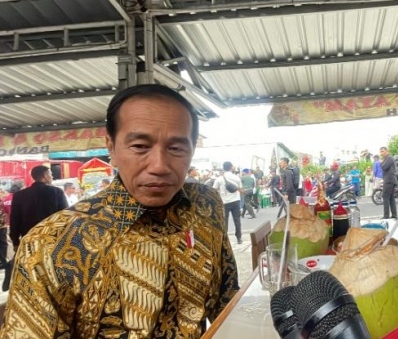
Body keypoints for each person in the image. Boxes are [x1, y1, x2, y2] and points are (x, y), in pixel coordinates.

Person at [0, 84, 239, 338]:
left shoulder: (205, 205)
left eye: (176, 148)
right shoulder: (49, 245)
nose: (159, 166)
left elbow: (227, 301)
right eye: (139, 146)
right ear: (111, 148)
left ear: (192, 150)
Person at [9, 165, 68, 250]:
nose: (52, 176)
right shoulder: (56, 192)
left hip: (29, 239)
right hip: (52, 239)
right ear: (45, 175)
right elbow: (64, 216)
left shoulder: (19, 195)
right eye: (51, 174)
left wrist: (15, 242)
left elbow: (14, 220)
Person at [214, 161, 244, 244]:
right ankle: (239, 238)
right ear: (231, 167)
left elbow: (214, 189)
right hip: (235, 201)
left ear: (224, 168)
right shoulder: (236, 178)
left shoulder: (219, 179)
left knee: (225, 220)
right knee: (237, 220)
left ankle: (225, 239)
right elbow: (241, 190)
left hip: (224, 202)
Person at [380, 147, 397, 219]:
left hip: (389, 180)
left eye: (383, 151)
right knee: (391, 198)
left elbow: (384, 167)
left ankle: (386, 216)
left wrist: (381, 163)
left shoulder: (389, 158)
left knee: (385, 197)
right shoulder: (387, 158)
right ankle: (394, 215)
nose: (381, 153)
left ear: (387, 151)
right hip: (389, 180)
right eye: (380, 152)